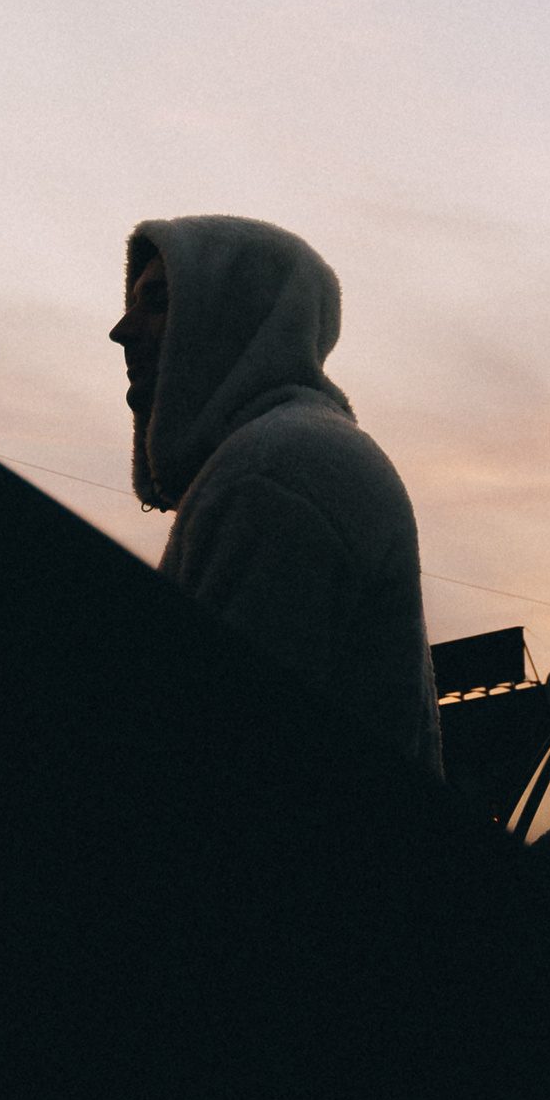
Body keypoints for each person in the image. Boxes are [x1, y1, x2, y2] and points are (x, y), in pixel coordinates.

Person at [110, 215, 441, 775]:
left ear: (229, 320)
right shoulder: (293, 454)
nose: (122, 330)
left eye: (158, 301)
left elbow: (217, 772)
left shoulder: (275, 474)